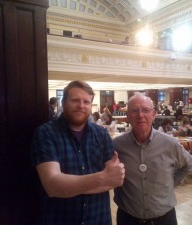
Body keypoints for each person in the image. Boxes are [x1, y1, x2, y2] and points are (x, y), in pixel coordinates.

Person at [31, 80, 125, 225]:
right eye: (75, 100)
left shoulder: (101, 134)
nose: (81, 106)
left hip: (98, 219)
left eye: (86, 102)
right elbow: (53, 186)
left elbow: (115, 179)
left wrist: (69, 187)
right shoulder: (46, 133)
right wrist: (102, 177)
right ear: (63, 103)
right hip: (61, 219)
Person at [113, 92, 192, 225]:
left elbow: (189, 164)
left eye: (145, 110)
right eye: (134, 111)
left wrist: (172, 182)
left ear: (153, 114)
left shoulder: (170, 144)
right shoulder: (117, 145)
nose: (140, 115)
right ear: (127, 116)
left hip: (165, 219)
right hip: (128, 219)